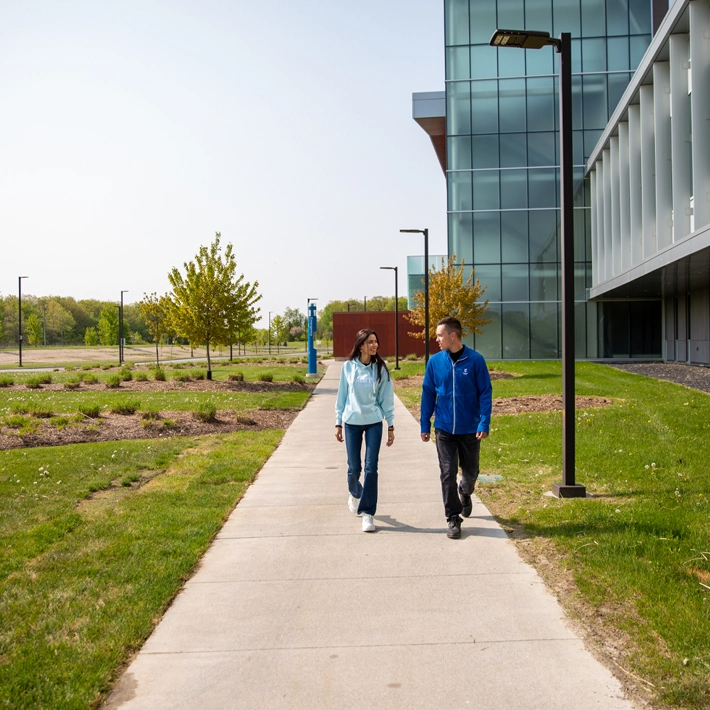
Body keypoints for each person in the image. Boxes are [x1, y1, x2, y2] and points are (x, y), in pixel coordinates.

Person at [420, 317, 492, 539]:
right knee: (447, 472)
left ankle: (465, 491)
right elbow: (428, 394)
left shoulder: (476, 361)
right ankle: (453, 518)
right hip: (444, 429)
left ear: (453, 336)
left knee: (471, 472)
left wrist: (483, 422)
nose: (436, 339)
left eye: (440, 335)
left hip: (470, 428)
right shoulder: (435, 362)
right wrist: (425, 423)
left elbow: (485, 393)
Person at [335, 329, 395, 532]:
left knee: (371, 468)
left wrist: (391, 424)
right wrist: (338, 422)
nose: (374, 345)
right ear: (361, 345)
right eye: (370, 342)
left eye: (376, 341)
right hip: (352, 422)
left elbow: (386, 398)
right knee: (354, 468)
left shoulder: (381, 369)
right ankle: (355, 492)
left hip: (374, 422)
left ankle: (368, 513)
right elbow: (342, 396)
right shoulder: (348, 368)